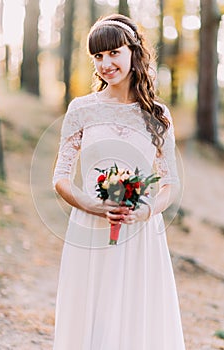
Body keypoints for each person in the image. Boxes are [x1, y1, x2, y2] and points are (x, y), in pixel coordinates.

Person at [52, 13, 186, 350]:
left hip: (141, 229)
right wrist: (94, 206)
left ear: (133, 52)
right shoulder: (81, 109)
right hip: (90, 224)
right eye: (98, 56)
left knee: (133, 314)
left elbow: (169, 183)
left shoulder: (157, 114)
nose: (106, 63)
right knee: (93, 313)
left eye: (114, 52)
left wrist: (146, 211)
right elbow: (61, 178)